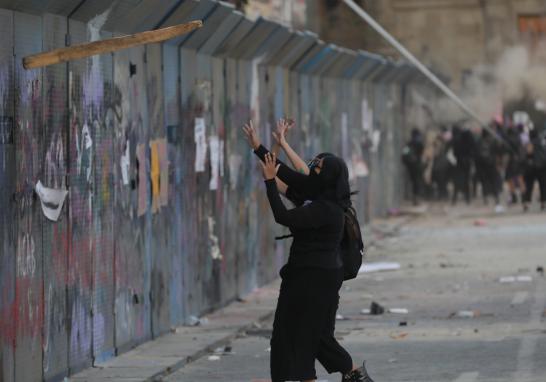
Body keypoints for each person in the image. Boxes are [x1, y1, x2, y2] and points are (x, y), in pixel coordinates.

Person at [243, 120, 374, 382]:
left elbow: (282, 213)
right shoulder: (320, 196)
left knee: (304, 335)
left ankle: (351, 374)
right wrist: (259, 147)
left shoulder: (324, 209)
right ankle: (351, 374)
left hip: (314, 278)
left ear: (328, 178)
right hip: (312, 275)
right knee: (309, 335)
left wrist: (270, 181)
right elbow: (290, 173)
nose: (314, 169)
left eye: (320, 168)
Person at [522, 128, 546, 211]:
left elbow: (529, 153)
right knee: (543, 185)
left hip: (532, 167)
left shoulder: (530, 142)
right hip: (543, 166)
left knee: (529, 185)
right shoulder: (543, 141)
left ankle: (526, 203)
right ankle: (543, 203)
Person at [401, 128, 424, 205]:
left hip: (410, 166)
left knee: (414, 182)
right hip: (417, 165)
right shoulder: (419, 143)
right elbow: (421, 152)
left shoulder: (409, 144)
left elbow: (404, 153)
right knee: (417, 182)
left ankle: (415, 198)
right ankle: (416, 198)